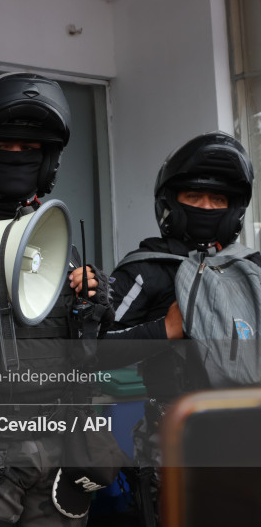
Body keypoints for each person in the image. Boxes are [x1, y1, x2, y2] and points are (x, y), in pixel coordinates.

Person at [0, 72, 117, 526]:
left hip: (61, 439)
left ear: (48, 160)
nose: (16, 158)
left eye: (29, 150)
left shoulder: (54, 232)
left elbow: (78, 347)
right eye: (3, 147)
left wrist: (94, 303)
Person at [105, 131, 259, 525]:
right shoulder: (147, 269)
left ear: (234, 208)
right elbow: (94, 349)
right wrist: (166, 328)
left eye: (218, 199)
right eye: (195, 197)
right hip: (174, 441)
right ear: (171, 203)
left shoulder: (253, 271)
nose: (207, 207)